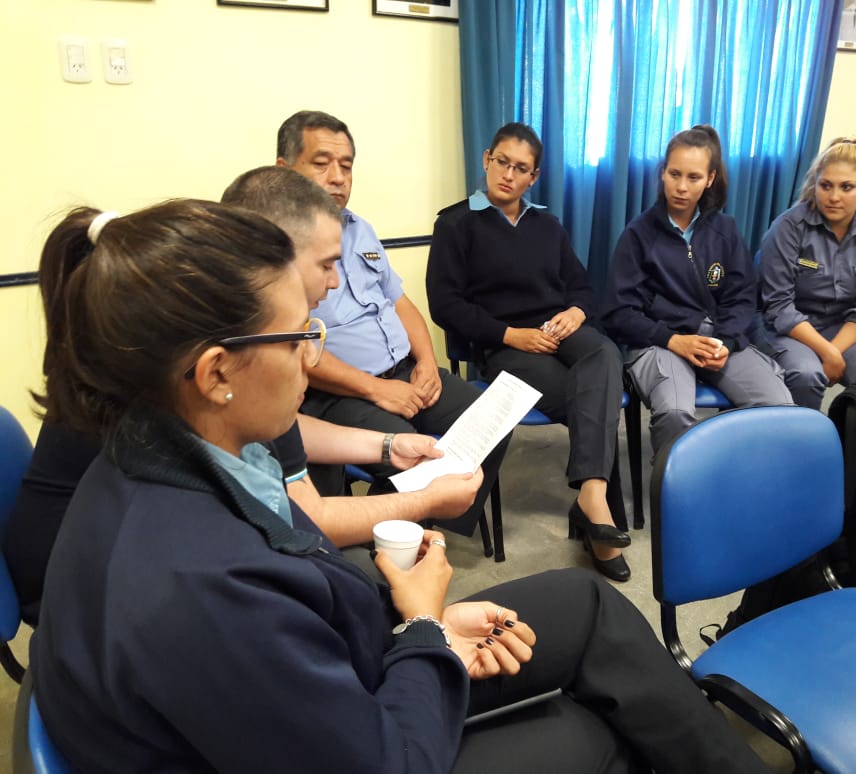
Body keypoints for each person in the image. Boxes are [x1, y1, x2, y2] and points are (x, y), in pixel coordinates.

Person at [29, 201, 768, 774]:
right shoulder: (198, 588)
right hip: (366, 733)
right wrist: (423, 631)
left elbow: (299, 613)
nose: (312, 355)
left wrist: (418, 625)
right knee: (585, 736)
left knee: (586, 604)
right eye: (300, 337)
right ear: (216, 372)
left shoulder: (160, 449)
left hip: (334, 685)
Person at [1, 167, 480, 627]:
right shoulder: (196, 559)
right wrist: (424, 624)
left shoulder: (206, 400)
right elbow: (302, 522)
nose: (334, 281)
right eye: (297, 341)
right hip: (94, 594)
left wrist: (385, 446)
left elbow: (287, 448)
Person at [275, 110, 508, 538]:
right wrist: (376, 389)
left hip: (403, 370)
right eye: (322, 163)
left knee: (490, 421)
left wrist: (427, 363)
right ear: (285, 170)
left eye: (346, 166)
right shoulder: (273, 248)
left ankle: (430, 526)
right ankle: (393, 537)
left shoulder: (360, 229)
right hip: (339, 394)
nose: (338, 177)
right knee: (414, 460)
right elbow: (299, 347)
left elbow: (400, 303)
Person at [426, 122, 631, 583]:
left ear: (533, 177)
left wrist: (576, 312)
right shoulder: (456, 223)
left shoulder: (547, 225)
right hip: (504, 345)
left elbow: (581, 287)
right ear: (487, 159)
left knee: (604, 354)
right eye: (502, 162)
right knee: (590, 395)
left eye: (521, 169)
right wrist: (509, 335)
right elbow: (445, 305)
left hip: (558, 330)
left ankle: (591, 496)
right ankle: (599, 518)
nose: (508, 175)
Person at [601, 126, 792, 454]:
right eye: (675, 174)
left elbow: (742, 296)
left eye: (693, 177)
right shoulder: (638, 235)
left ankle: (740, 474)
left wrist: (726, 342)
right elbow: (619, 312)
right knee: (675, 413)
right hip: (659, 343)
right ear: (663, 173)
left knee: (778, 405)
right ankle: (672, 483)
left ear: (710, 179)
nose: (681, 186)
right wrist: (673, 340)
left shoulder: (725, 230)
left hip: (716, 341)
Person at [752, 138, 856, 410]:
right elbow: (779, 306)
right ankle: (801, 437)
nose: (834, 197)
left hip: (845, 325)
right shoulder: (788, 226)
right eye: (826, 185)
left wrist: (833, 351)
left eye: (847, 187)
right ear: (814, 183)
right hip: (787, 326)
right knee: (806, 374)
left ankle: (850, 437)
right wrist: (826, 351)